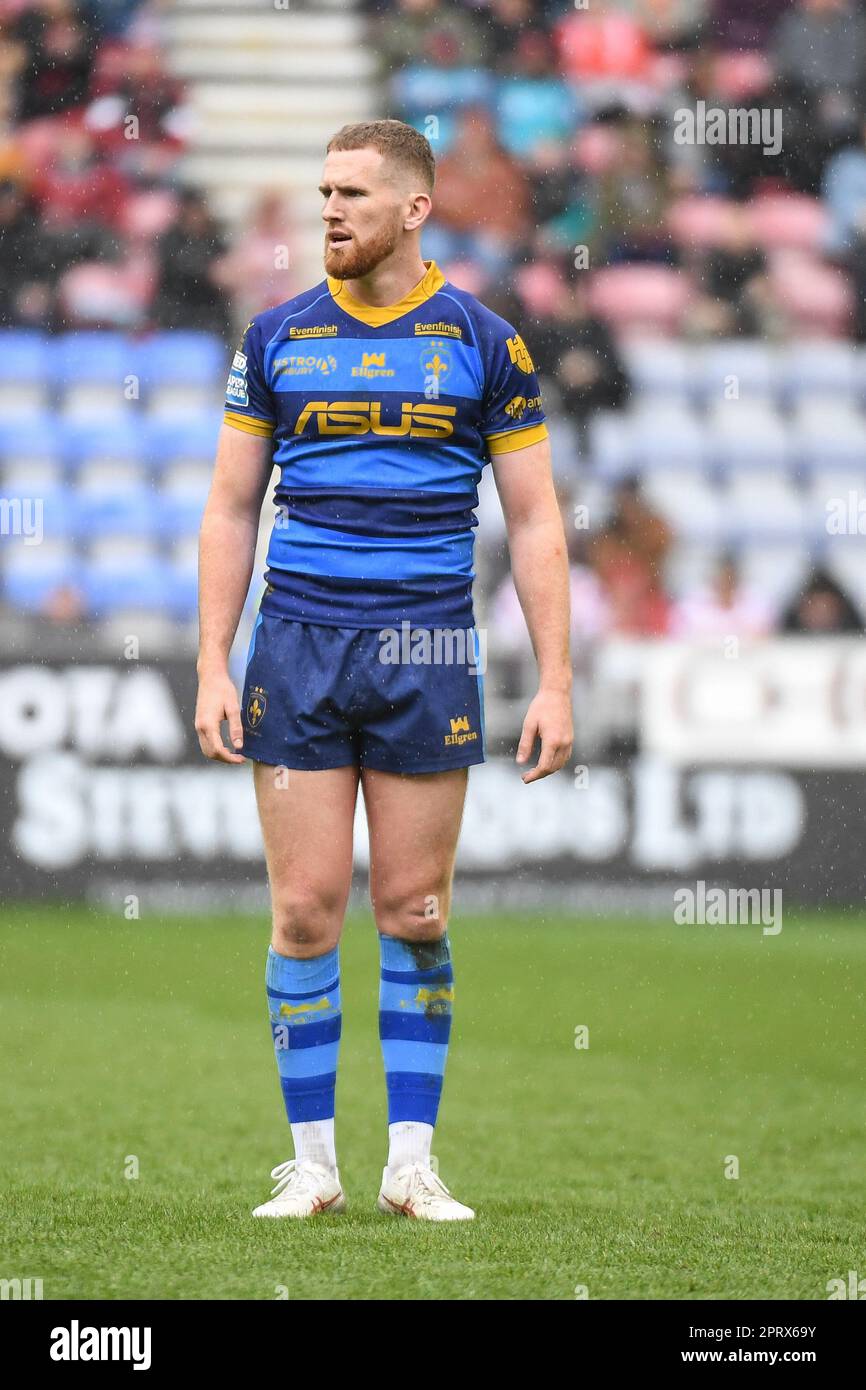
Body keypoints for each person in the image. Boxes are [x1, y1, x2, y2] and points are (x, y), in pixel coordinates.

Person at [195, 120, 573, 1222]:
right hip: (299, 646)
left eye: (353, 194)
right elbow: (228, 510)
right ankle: (311, 1164)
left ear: (415, 209)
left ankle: (410, 1163)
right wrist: (212, 661)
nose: (329, 211)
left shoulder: (484, 340)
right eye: (322, 192)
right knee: (306, 909)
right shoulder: (273, 337)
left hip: (427, 648)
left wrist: (553, 679)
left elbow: (537, 519)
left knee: (412, 907)